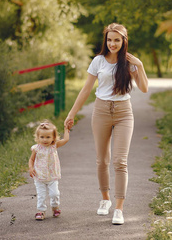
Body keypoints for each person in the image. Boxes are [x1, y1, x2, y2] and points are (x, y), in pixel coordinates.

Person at [64, 23, 148, 225]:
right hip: (101, 111)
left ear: (124, 41)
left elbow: (144, 88)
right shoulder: (98, 61)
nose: (112, 43)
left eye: (117, 40)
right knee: (102, 160)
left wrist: (141, 65)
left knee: (120, 161)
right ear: (105, 40)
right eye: (109, 40)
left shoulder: (130, 62)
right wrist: (71, 113)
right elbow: (85, 90)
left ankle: (119, 209)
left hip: (123, 113)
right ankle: (105, 199)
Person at [28, 120, 70, 220]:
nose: (45, 140)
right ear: (38, 137)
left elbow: (66, 140)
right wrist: (31, 168)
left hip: (52, 176)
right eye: (42, 137)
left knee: (54, 194)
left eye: (48, 137)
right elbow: (31, 159)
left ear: (53, 138)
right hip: (39, 176)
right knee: (41, 195)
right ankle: (41, 211)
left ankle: (55, 207)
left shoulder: (54, 146)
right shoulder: (36, 148)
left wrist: (66, 129)